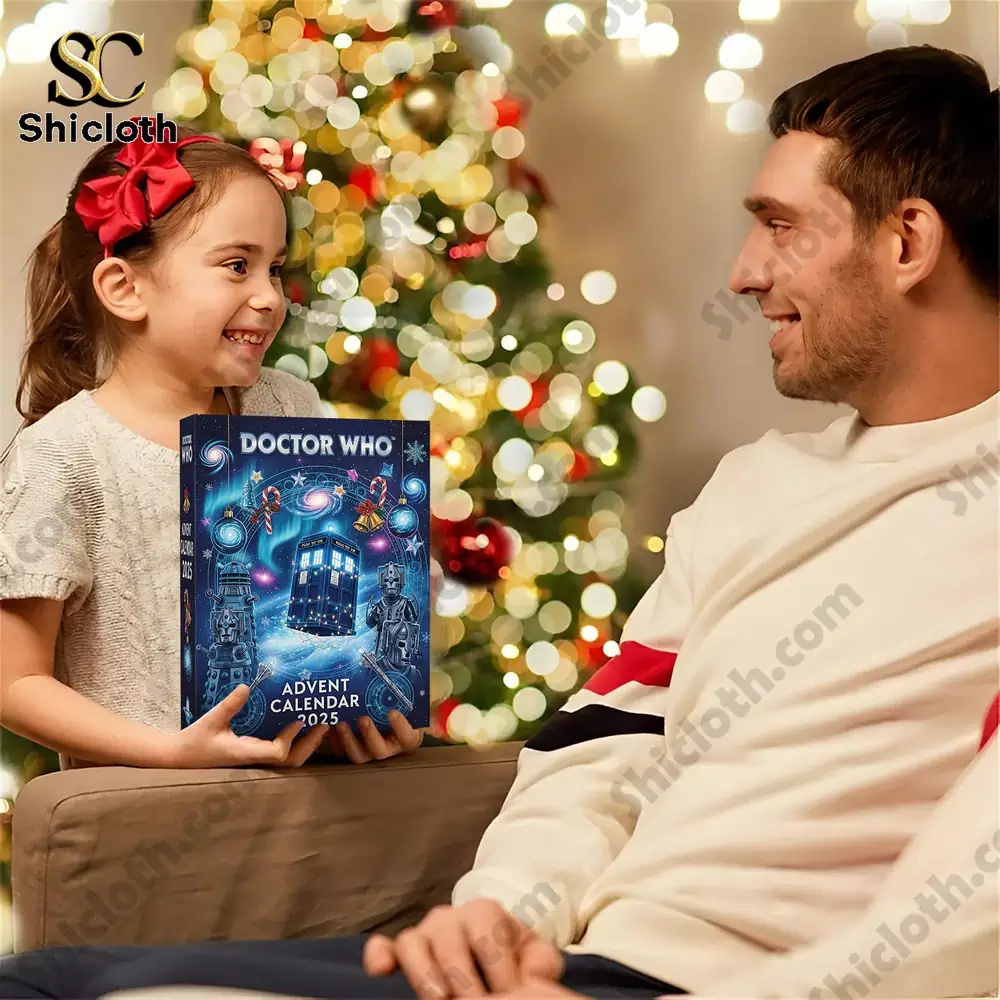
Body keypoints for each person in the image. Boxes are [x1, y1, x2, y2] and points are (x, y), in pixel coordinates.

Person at [1, 42, 997, 1000]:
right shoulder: (754, 486)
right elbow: (600, 746)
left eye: (780, 225)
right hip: (562, 963)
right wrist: (502, 915)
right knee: (42, 980)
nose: (740, 274)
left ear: (906, 241)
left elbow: (970, 911)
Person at [0, 128, 423, 770]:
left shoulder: (289, 406)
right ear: (125, 288)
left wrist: (385, 710)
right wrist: (170, 752)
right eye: (237, 265)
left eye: (276, 268)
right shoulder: (65, 456)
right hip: (147, 824)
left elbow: (370, 585)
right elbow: (13, 684)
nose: (269, 297)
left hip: (305, 813)